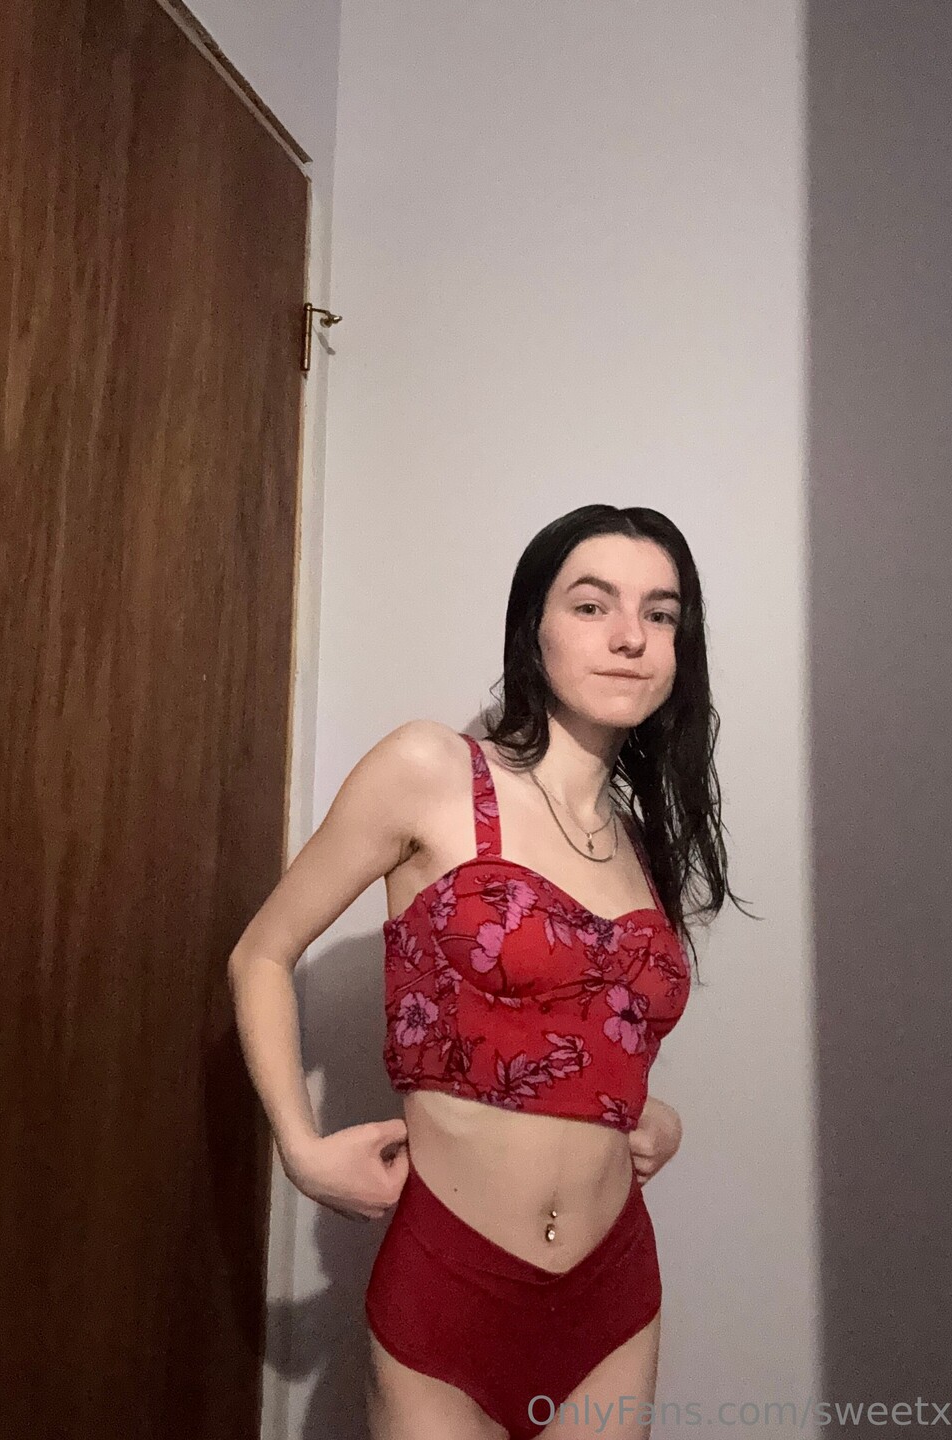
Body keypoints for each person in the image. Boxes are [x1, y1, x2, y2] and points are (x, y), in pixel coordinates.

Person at [228, 504, 748, 1439]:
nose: (631, 636)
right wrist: (300, 1149)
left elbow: (577, 1027)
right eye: (592, 605)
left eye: (661, 614)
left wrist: (643, 1111)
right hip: (451, 1276)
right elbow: (260, 953)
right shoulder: (430, 770)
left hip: (614, 1292)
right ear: (533, 628)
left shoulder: (642, 846)